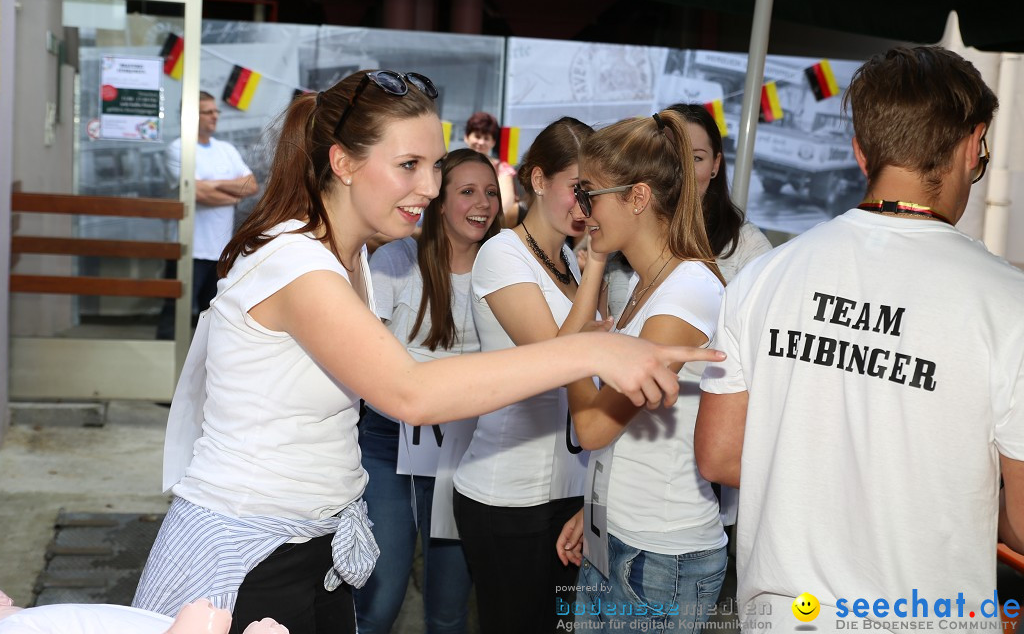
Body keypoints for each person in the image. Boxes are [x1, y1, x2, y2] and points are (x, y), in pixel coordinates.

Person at [131, 70, 723, 634]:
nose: (431, 188)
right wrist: (593, 352)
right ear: (342, 163)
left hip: (310, 539)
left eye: (435, 166)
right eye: (409, 165)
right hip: (247, 550)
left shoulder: (346, 258)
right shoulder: (297, 265)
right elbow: (409, 392)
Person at [695, 46, 1024, 630]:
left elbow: (719, 454)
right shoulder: (1009, 303)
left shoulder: (764, 275)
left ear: (860, 151)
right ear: (973, 148)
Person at [554, 111, 728, 632]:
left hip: (661, 557)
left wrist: (584, 349)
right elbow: (629, 438)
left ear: (639, 196)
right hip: (622, 535)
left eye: (590, 195)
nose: (582, 213)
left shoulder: (685, 296)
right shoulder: (648, 285)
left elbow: (592, 427)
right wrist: (594, 510)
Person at [452, 116, 595, 633]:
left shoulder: (570, 264)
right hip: (507, 495)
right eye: (578, 189)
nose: (587, 206)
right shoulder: (502, 252)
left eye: (596, 193)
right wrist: (599, 264)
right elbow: (556, 360)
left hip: (568, 492)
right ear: (537, 180)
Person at [354, 148, 502, 634]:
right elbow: (361, 357)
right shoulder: (397, 259)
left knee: (449, 607)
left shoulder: (502, 270)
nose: (482, 203)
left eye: (491, 192)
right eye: (467, 191)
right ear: (439, 202)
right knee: (379, 601)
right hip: (387, 441)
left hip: (465, 449)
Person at [603, 103, 771, 316]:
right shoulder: (627, 233)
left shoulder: (748, 246)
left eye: (696, 158)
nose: (684, 170)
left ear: (715, 165)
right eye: (674, 155)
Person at [157, 91, 258, 339]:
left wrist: (210, 185)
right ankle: (163, 369)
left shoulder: (226, 149)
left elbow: (251, 186)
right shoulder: (178, 148)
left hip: (220, 252)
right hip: (186, 249)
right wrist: (229, 193)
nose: (215, 116)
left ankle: (203, 374)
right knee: (174, 314)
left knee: (213, 320)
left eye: (216, 111)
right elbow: (196, 193)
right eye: (208, 112)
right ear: (191, 116)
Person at [464, 111, 520, 225]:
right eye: (477, 136)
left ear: (493, 142)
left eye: (486, 138)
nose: (481, 142)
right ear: (466, 137)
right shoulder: (453, 164)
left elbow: (506, 206)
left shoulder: (502, 169)